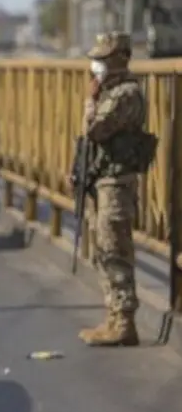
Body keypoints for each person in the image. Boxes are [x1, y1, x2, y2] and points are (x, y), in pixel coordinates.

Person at [73, 32, 151, 346]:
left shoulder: (125, 94)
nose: (97, 65)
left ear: (120, 57)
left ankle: (124, 322)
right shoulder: (111, 90)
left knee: (116, 250)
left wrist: (90, 100)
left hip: (117, 182)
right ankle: (113, 318)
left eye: (103, 59)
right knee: (103, 250)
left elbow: (95, 129)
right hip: (103, 178)